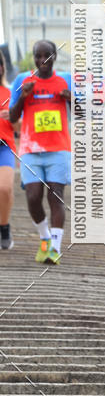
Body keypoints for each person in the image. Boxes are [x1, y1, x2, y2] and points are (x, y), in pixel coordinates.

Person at [9, 40, 71, 264]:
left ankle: (54, 248)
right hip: (30, 149)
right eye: (38, 55)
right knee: (33, 197)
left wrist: (71, 99)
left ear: (55, 56)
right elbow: (13, 117)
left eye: (47, 55)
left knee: (56, 196)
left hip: (58, 148)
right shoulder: (22, 80)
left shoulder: (66, 80)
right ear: (34, 57)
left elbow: (83, 112)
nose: (42, 60)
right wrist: (23, 96)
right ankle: (45, 237)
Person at [0, 50, 16, 250]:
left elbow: (20, 126)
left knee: (4, 188)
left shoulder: (10, 93)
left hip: (4, 146)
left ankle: (4, 228)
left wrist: (12, 117)